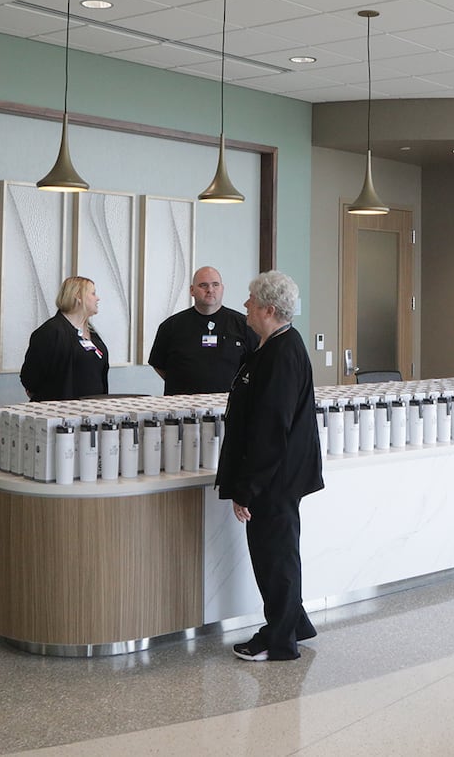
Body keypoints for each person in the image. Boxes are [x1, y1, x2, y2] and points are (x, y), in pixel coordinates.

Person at [215, 270, 324, 662]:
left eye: (250, 299)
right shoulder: (274, 345)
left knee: (273, 558)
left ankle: (279, 640)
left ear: (268, 308)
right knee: (279, 553)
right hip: (279, 476)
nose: (244, 305)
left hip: (275, 479)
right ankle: (295, 623)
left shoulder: (282, 352)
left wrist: (249, 489)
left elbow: (269, 429)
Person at [148, 266, 258, 396]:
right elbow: (158, 365)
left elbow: (255, 366)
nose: (210, 290)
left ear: (222, 289)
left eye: (215, 285)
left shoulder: (244, 325)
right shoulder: (171, 326)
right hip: (180, 407)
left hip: (229, 406)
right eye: (203, 285)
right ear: (192, 290)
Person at [20, 276, 109, 402]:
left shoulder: (93, 334)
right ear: (78, 296)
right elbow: (30, 378)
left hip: (91, 413)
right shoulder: (50, 332)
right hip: (60, 414)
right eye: (93, 293)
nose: (98, 298)